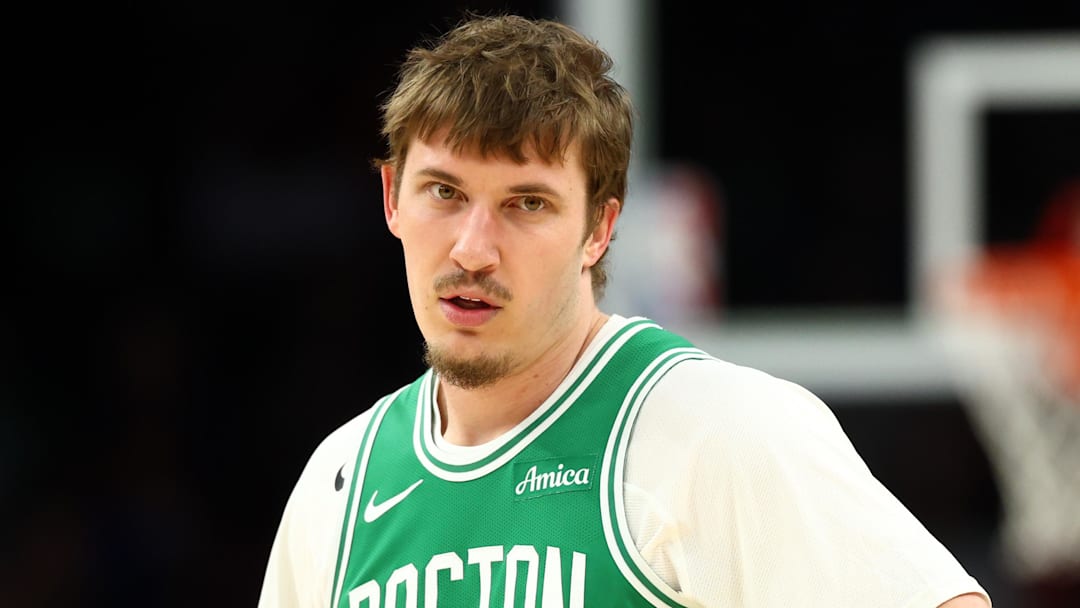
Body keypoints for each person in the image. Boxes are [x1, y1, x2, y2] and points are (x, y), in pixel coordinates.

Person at [258, 12, 992, 607]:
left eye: (527, 203)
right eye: (445, 193)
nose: (474, 250)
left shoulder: (716, 429)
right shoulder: (340, 481)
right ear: (392, 198)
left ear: (599, 230)